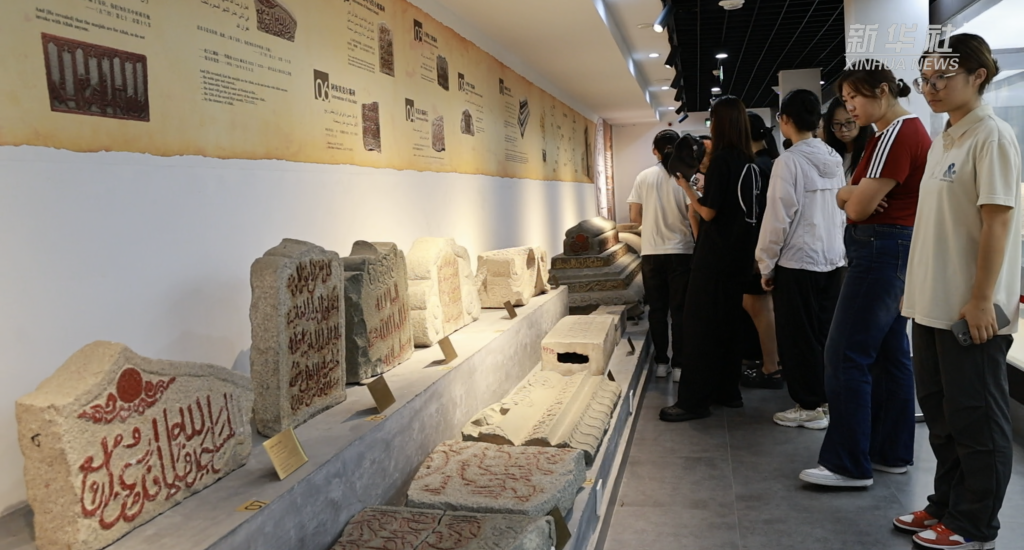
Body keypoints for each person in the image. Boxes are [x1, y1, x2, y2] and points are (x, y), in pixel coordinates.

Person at [896, 34, 1021, 550]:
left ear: (978, 76)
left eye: (943, 77)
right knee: (942, 416)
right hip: (931, 304)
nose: (932, 87)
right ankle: (945, 504)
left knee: (977, 418)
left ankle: (975, 524)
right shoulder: (945, 139)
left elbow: (997, 223)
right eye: (925, 79)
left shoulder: (991, 136)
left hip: (970, 310)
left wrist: (981, 299)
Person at [799, 63, 931, 487]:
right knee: (891, 354)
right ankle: (889, 452)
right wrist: (850, 194)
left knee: (845, 353)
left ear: (883, 91)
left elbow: (855, 205)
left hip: (879, 248)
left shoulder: (896, 133)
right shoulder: (900, 132)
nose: (850, 107)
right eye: (845, 99)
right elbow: (852, 195)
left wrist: (848, 195)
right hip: (892, 247)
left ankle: (847, 463)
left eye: (855, 97)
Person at [660, 96, 768, 422]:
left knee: (700, 328)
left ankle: (694, 401)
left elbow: (708, 211)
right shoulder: (749, 161)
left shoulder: (722, 161)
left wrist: (686, 187)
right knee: (729, 326)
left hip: (715, 258)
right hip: (740, 256)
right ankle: (728, 391)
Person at [756, 89, 846, 427]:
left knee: (797, 338)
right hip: (833, 258)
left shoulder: (788, 161)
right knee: (825, 335)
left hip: (797, 262)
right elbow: (841, 211)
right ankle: (827, 402)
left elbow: (777, 217)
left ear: (785, 120)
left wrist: (766, 263)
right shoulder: (833, 158)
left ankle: (808, 406)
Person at [627, 129, 695, 382]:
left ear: (654, 150)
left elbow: (635, 218)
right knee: (679, 312)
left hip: (652, 253)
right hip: (681, 251)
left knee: (657, 310)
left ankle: (661, 363)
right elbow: (694, 214)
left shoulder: (643, 177)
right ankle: (679, 366)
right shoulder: (685, 178)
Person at [740, 112, 782, 390]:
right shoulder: (770, 162)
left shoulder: (758, 166)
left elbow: (761, 214)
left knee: (760, 308)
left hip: (761, 248)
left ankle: (771, 367)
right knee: (761, 307)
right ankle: (772, 363)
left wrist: (760, 255)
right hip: (770, 247)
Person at [822, 96, 873, 179]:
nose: (843, 129)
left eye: (849, 122)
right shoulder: (829, 153)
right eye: (837, 123)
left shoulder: (871, 151)